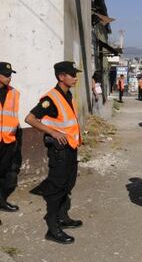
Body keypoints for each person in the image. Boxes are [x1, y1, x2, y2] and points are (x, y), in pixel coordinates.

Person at [25, 61, 83, 245]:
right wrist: (52, 132)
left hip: (71, 148)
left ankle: (63, 217)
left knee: (68, 184)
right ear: (61, 77)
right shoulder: (51, 98)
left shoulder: (68, 95)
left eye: (75, 74)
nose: (75, 77)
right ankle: (52, 228)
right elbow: (30, 118)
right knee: (57, 188)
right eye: (71, 74)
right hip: (59, 151)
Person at [0, 62, 22, 214]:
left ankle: (1, 201)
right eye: (6, 75)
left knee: (3, 173)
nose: (9, 78)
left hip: (7, 140)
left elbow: (13, 116)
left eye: (10, 75)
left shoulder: (14, 93)